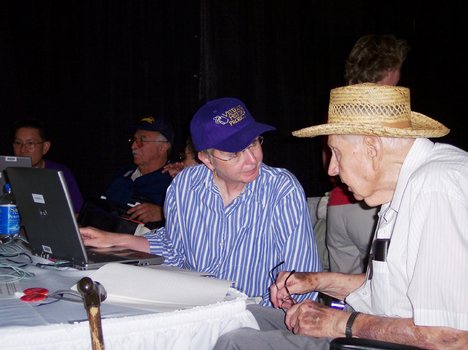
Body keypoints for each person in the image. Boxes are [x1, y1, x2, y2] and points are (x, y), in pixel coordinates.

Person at [213, 84, 468, 349]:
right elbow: (389, 289)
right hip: (376, 331)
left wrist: (341, 323)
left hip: (386, 343)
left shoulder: (436, 188)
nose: (332, 169)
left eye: (336, 152)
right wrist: (315, 281)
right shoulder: (403, 187)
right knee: (236, 317)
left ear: (372, 147)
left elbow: (452, 336)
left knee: (236, 342)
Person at [81, 97, 321, 305]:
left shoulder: (281, 189)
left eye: (254, 143)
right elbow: (174, 248)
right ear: (206, 159)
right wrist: (112, 240)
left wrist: (288, 301)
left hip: (256, 309)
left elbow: (303, 275)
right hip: (194, 305)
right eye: (233, 153)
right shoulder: (185, 186)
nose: (251, 159)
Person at [326, 34, 410, 274]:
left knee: (339, 291)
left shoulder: (340, 105)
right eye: (397, 68)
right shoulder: (385, 112)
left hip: (337, 208)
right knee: (383, 286)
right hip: (369, 207)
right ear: (387, 68)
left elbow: (329, 166)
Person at [102, 116, 174, 227]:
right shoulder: (123, 174)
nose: (133, 146)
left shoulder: (174, 183)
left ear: (163, 147)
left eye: (142, 140)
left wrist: (164, 213)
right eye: (134, 140)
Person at [12, 118, 84, 214]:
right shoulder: (6, 172)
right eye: (18, 143)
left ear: (45, 147)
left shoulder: (59, 173)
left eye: (30, 143)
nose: (22, 149)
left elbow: (79, 213)